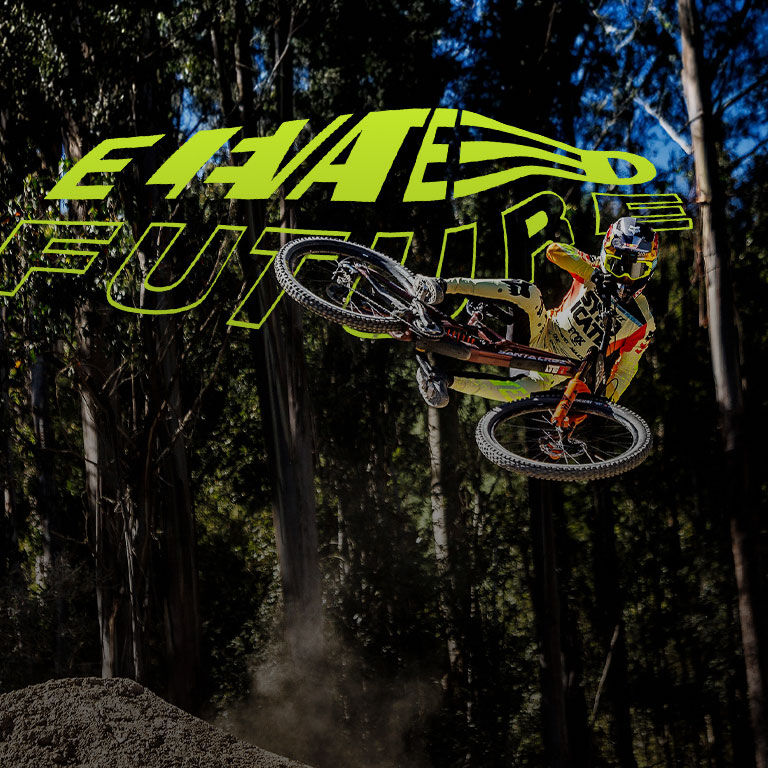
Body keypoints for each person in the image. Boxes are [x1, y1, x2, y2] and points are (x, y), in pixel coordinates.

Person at [413, 217, 658, 408]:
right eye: (616, 265)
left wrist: (604, 404)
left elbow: (626, 369)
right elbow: (554, 250)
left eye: (635, 270)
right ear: (605, 256)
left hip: (556, 370)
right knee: (530, 293)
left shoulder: (644, 321)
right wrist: (592, 274)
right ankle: (442, 286)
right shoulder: (593, 266)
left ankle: (444, 381)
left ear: (649, 271)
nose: (625, 277)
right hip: (541, 331)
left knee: (523, 393)